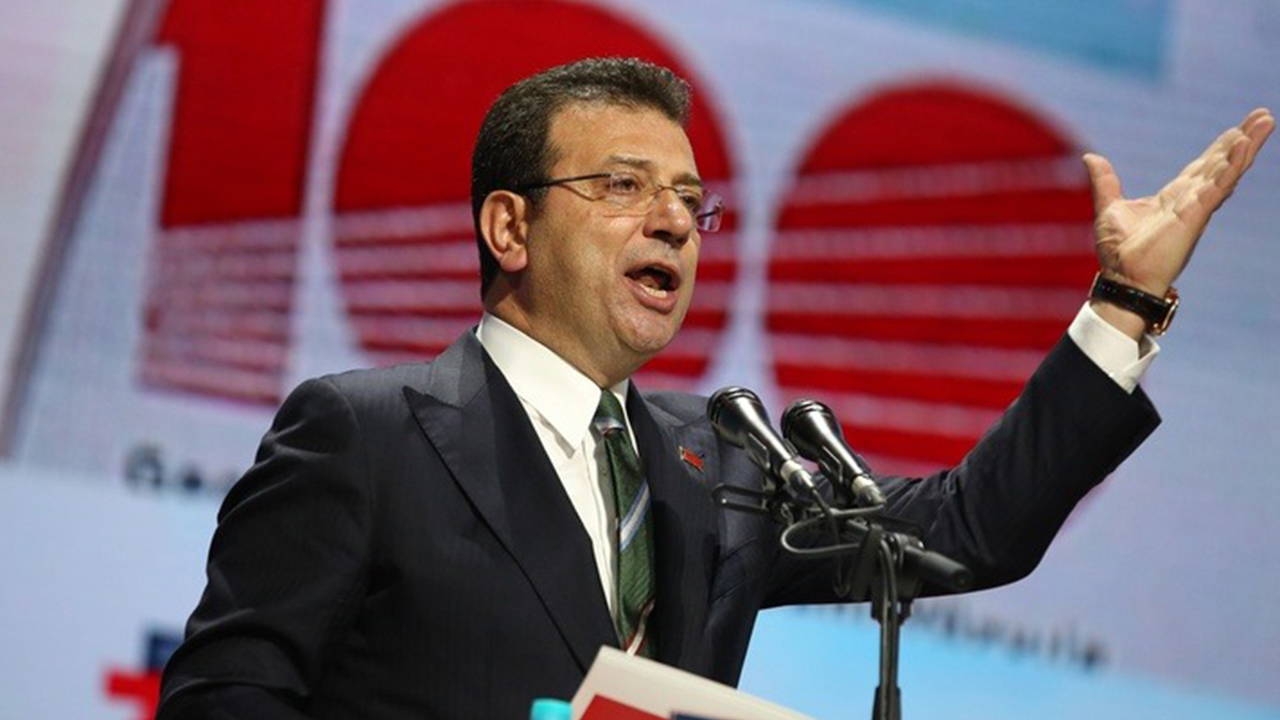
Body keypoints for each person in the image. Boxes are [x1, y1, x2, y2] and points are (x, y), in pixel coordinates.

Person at [156, 58, 1273, 719]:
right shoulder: (366, 434)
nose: (674, 223)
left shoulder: (721, 457)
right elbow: (225, 700)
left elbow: (965, 530)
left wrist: (1123, 303)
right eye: (622, 186)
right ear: (508, 227)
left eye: (692, 201)